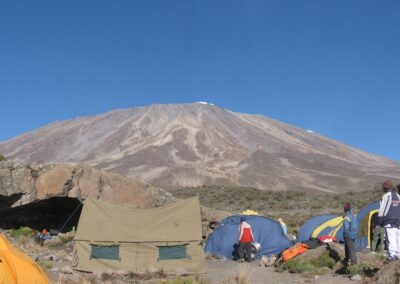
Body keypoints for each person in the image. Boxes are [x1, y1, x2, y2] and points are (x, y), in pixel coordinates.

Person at [378, 180, 400, 261]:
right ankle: (398, 254)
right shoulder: (398, 196)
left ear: (386, 188)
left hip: (388, 221)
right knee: (397, 238)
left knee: (391, 239)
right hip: (397, 222)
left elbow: (383, 210)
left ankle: (391, 255)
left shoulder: (387, 196)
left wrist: (379, 222)